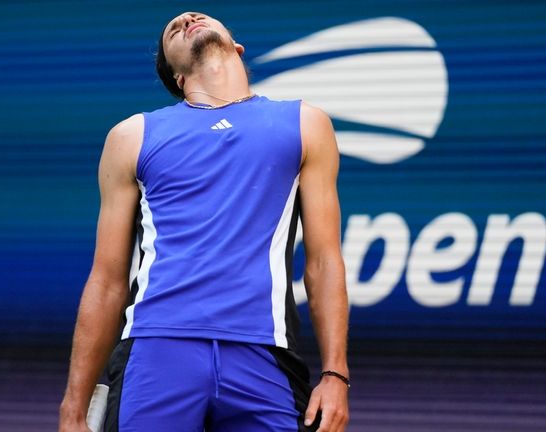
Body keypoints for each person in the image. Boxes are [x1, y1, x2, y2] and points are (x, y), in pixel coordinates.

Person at [59, 11, 349, 432]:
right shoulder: (132, 136)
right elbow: (106, 280)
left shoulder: (305, 123)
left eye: (197, 16)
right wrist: (73, 409)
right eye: (172, 30)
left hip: (265, 353)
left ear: (237, 47)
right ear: (175, 76)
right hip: (156, 349)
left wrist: (335, 374)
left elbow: (324, 261)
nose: (186, 18)